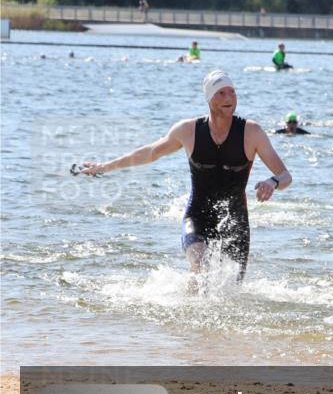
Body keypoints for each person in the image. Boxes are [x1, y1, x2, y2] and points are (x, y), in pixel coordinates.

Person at [80, 70, 292, 284]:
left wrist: (272, 182)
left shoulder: (251, 132)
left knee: (231, 288)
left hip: (235, 221)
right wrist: (105, 167)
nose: (229, 98)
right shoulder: (188, 131)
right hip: (198, 216)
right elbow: (150, 152)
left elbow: (285, 175)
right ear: (208, 98)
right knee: (201, 269)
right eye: (221, 93)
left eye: (232, 92)